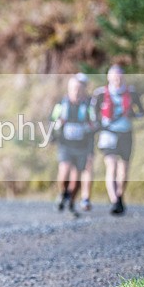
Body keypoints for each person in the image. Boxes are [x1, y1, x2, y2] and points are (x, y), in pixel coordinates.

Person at [90, 65, 144, 215]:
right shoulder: (100, 94)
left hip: (126, 133)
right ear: (108, 78)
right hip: (108, 134)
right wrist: (97, 125)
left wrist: (132, 114)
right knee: (111, 166)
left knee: (124, 170)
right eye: (114, 77)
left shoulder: (132, 93)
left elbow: (141, 112)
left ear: (123, 78)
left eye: (120, 77)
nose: (117, 80)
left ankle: (120, 195)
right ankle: (115, 200)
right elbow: (92, 113)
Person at [50, 76, 95, 217]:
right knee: (64, 172)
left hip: (82, 146)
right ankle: (63, 193)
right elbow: (51, 120)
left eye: (79, 88)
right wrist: (56, 128)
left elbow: (95, 122)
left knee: (76, 179)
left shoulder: (88, 105)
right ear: (69, 89)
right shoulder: (61, 104)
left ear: (83, 90)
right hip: (65, 145)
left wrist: (87, 128)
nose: (76, 91)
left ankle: (71, 202)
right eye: (74, 88)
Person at [75, 72, 95, 211]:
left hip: (87, 139)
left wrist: (90, 127)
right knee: (72, 169)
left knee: (87, 167)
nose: (80, 87)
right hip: (70, 142)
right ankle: (69, 195)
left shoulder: (91, 102)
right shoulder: (66, 101)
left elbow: (96, 119)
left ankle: (85, 197)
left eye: (82, 85)